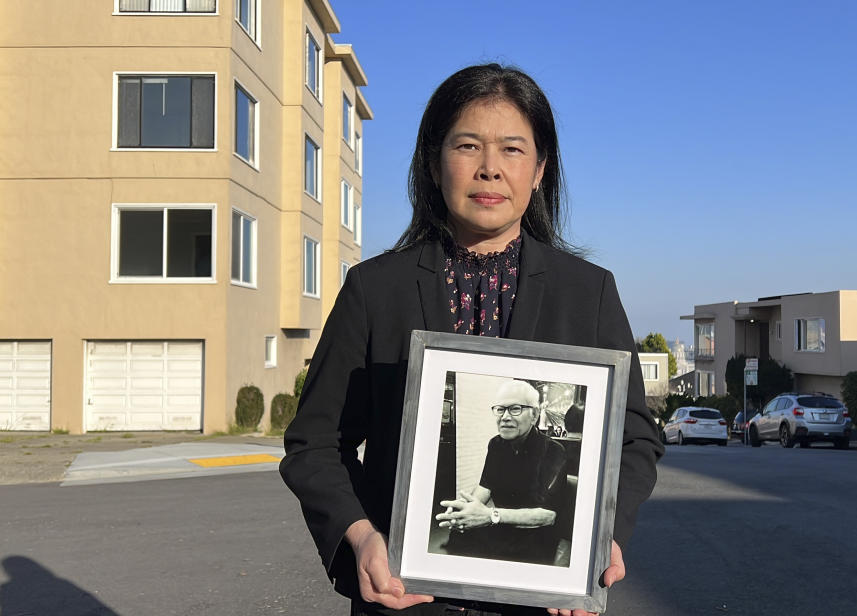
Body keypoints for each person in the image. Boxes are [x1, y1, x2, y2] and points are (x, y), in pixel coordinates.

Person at [280, 63, 664, 616]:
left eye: (512, 149)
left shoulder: (589, 292)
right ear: (434, 164)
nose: (490, 170)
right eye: (467, 146)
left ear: (539, 171)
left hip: (543, 600)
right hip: (406, 600)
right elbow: (315, 444)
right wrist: (362, 536)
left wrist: (601, 536)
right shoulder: (374, 289)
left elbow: (635, 439)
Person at [435, 379, 569, 566]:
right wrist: (465, 509)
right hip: (500, 525)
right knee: (458, 536)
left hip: (535, 534)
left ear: (534, 415)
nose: (505, 417)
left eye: (515, 409)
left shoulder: (553, 450)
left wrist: (490, 516)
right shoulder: (496, 444)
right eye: (500, 409)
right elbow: (485, 487)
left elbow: (548, 516)